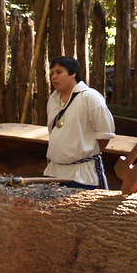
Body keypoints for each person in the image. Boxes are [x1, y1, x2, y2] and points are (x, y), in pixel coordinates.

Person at [44, 56, 115, 189]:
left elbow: (105, 134)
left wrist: (87, 153)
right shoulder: (53, 99)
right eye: (52, 73)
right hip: (54, 172)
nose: (54, 77)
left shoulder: (90, 97)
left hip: (83, 175)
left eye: (59, 72)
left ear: (73, 73)